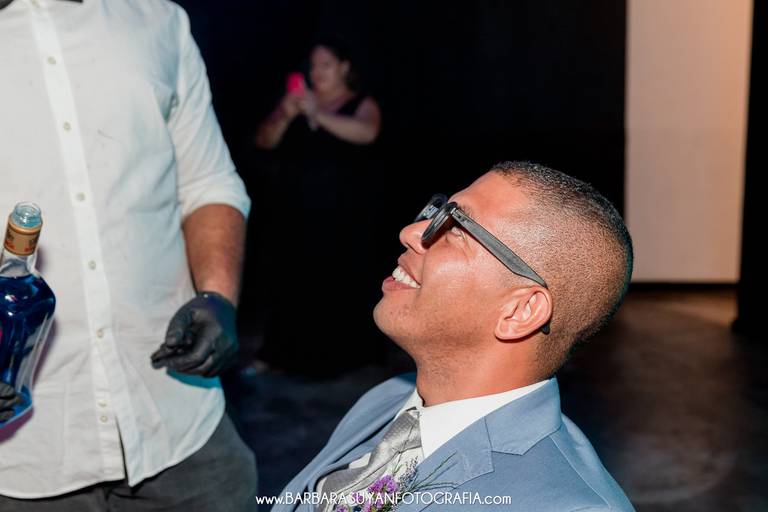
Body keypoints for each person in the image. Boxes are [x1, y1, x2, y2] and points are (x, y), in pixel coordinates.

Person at [0, 0, 257, 510]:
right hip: (23, 459)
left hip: (180, 420)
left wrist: (217, 295)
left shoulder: (157, 18)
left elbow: (208, 181)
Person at [272, 162, 635, 511]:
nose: (410, 232)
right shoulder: (386, 400)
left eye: (457, 228)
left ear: (520, 311)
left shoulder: (572, 507)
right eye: (439, 212)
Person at [254, 37, 382, 374]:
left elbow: (367, 132)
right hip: (296, 211)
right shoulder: (298, 104)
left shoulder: (360, 103)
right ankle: (281, 355)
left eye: (325, 64)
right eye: (313, 66)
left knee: (337, 285)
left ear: (344, 67)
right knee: (292, 284)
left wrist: (318, 114)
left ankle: (337, 361)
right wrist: (286, 115)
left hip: (343, 214)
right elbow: (264, 141)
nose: (317, 72)